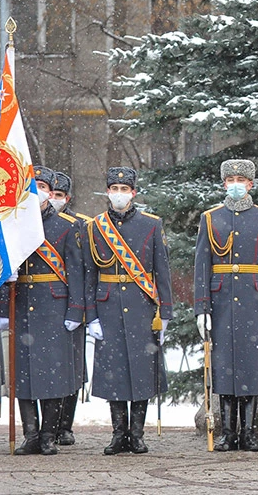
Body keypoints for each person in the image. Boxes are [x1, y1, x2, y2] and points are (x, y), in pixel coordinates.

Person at [193, 159, 258, 452]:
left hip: (253, 302)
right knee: (224, 368)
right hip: (220, 304)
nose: (235, 184)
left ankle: (248, 432)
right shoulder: (211, 218)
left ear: (250, 184)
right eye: (230, 179)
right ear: (223, 184)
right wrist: (202, 309)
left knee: (251, 368)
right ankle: (227, 432)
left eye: (240, 180)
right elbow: (202, 267)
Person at [86, 167, 172, 454]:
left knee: (141, 371)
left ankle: (137, 434)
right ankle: (117, 434)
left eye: (125, 189)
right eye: (114, 189)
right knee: (114, 372)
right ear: (108, 192)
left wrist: (166, 312)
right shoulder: (95, 227)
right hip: (107, 305)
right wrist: (91, 314)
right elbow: (89, 274)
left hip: (141, 305)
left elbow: (162, 271)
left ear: (134, 193)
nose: (119, 194)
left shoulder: (151, 225)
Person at [9, 167, 86, 456]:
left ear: (50, 193)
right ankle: (30, 435)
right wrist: (5, 305)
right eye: (32, 186)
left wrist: (75, 310)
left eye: (41, 186)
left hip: (55, 306)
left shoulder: (67, 225)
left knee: (52, 376)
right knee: (25, 376)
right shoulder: (14, 224)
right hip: (23, 306)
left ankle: (48, 435)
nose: (36, 192)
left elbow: (77, 271)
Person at [49, 169, 90, 446]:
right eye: (49, 194)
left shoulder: (80, 225)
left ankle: (66, 425)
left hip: (73, 303)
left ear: (68, 198)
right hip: (48, 305)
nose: (53, 199)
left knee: (73, 368)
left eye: (58, 195)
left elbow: (85, 267)